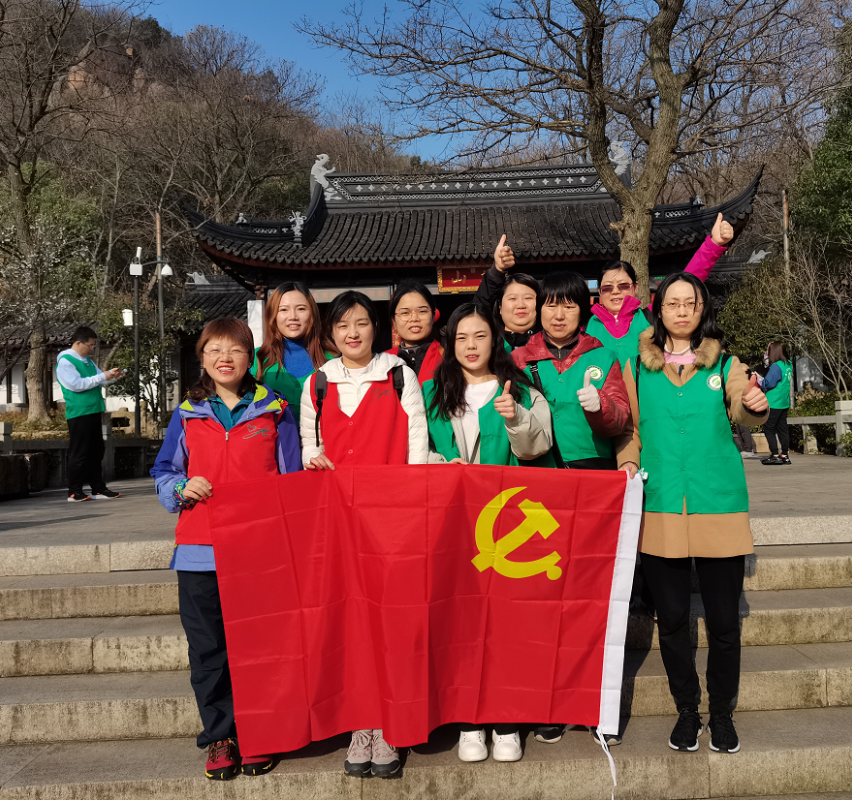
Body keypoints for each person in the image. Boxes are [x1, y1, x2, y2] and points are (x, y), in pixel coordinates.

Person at [616, 272, 768, 755]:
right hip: (661, 504)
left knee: (723, 622)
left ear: (703, 310)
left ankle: (721, 713)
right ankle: (687, 711)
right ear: (658, 311)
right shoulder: (637, 367)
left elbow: (743, 408)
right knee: (673, 620)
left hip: (717, 503)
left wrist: (754, 404)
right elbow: (629, 429)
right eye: (673, 303)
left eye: (691, 303)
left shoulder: (726, 362)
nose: (682, 311)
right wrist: (628, 463)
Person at [151, 318, 301, 781]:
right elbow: (164, 470)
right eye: (214, 350)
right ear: (202, 358)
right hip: (201, 551)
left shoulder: (275, 410)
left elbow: (292, 480)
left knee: (262, 647)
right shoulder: (188, 413)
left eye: (235, 350)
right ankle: (221, 736)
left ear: (249, 357)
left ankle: (261, 733)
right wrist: (181, 487)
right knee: (209, 650)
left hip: (261, 552)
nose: (224, 358)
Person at [298, 290, 429, 780]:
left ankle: (390, 725)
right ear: (330, 333)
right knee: (351, 623)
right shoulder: (318, 383)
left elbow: (417, 446)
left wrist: (412, 510)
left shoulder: (398, 375)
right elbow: (309, 445)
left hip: (392, 518)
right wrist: (313, 459)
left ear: (377, 328)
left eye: (361, 323)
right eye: (342, 325)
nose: (352, 333)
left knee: (390, 621)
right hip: (340, 520)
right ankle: (362, 725)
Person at [422, 302, 553, 762]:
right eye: (461, 338)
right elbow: (415, 450)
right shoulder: (432, 393)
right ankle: (469, 719)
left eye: (479, 336)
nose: (471, 346)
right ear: (450, 344)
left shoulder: (522, 389)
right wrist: (441, 464)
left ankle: (506, 717)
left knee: (505, 622)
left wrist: (515, 416)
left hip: (508, 521)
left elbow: (539, 447)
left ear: (495, 339)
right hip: (453, 523)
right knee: (460, 620)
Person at [510, 270, 633, 746]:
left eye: (569, 305)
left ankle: (595, 704)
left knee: (591, 597)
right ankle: (552, 702)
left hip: (591, 482)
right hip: (539, 486)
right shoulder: (519, 360)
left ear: (583, 311)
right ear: (538, 310)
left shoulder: (602, 355)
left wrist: (600, 406)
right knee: (546, 598)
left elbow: (620, 420)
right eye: (550, 304)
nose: (558, 314)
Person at [586, 213, 736, 368]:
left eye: (623, 285)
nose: (615, 291)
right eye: (607, 287)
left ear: (635, 287)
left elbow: (687, 281)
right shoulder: (586, 325)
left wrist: (714, 244)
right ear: (600, 291)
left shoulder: (651, 317)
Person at [56, 326, 123, 502]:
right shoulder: (65, 361)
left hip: (93, 409)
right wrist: (103, 377)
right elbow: (76, 385)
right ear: (79, 342)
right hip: (79, 411)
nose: (92, 348)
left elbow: (98, 380)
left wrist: (112, 376)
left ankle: (98, 489)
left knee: (96, 450)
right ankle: (74, 491)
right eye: (91, 345)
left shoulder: (87, 361)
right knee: (79, 452)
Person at [254, 281, 328, 418]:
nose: (293, 317)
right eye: (283, 310)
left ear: (312, 314)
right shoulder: (256, 359)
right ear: (273, 315)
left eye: (301, 309)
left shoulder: (332, 359)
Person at [475, 234, 541, 352]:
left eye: (528, 298)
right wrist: (497, 270)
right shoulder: (490, 348)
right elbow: (476, 311)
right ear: (500, 307)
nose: (520, 305)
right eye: (512, 298)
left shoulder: (553, 345)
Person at [387, 279, 444, 382]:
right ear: (394, 321)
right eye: (405, 313)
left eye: (422, 311)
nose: (414, 319)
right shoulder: (383, 362)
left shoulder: (448, 357)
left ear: (433, 316)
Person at [760, 341, 793, 465]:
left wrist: (760, 380)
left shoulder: (776, 366)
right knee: (782, 428)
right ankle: (784, 455)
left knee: (769, 428)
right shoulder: (789, 364)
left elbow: (769, 383)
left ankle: (774, 455)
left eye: (768, 350)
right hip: (784, 401)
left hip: (773, 401)